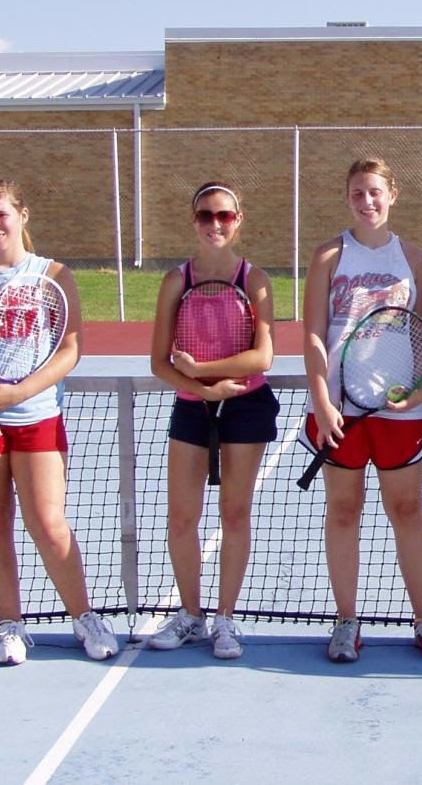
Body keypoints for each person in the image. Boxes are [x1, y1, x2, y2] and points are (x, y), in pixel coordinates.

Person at [0, 179, 119, 665]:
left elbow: (70, 350)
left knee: (48, 522)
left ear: (22, 215)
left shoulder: (52, 275)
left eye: (1, 215)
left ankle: (83, 616)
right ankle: (10, 627)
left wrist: (18, 392)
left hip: (36, 417)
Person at [301, 158, 422, 663]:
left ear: (393, 195)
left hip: (397, 409)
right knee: (344, 511)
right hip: (340, 410)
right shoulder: (327, 256)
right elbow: (314, 335)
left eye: (375, 192)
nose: (367, 201)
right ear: (347, 199)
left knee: (407, 511)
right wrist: (322, 400)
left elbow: (421, 330)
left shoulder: (412, 256)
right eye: (358, 193)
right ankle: (346, 621)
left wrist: (421, 389)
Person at [148, 182, 279, 660]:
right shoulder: (175, 282)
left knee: (234, 513)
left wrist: (203, 371)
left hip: (246, 407)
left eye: (224, 216)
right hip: (191, 407)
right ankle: (191, 615)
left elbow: (263, 355)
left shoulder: (256, 280)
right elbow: (160, 362)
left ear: (238, 219)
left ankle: (225, 618)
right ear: (194, 221)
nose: (215, 224)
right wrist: (202, 390)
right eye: (206, 216)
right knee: (182, 518)